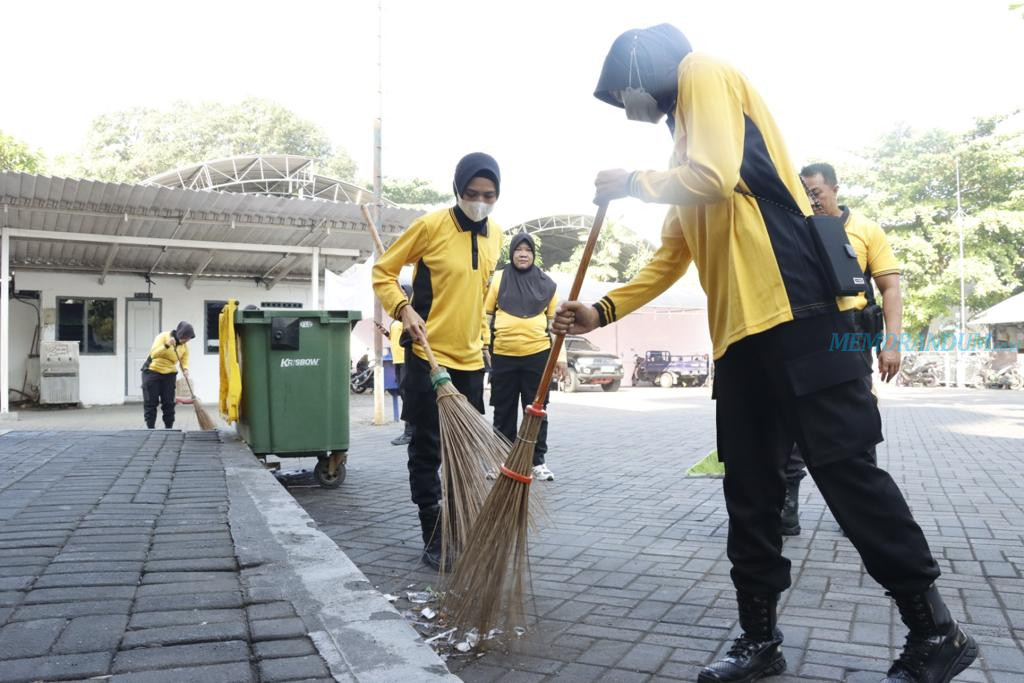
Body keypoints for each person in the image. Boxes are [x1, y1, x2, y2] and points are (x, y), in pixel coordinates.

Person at [553, 24, 976, 683]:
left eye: (627, 91)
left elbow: (716, 178)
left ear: (646, 67)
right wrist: (601, 310)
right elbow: (671, 256)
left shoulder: (704, 72)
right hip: (742, 342)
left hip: (802, 315)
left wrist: (632, 182)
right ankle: (759, 641)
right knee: (749, 493)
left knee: (846, 475)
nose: (633, 107)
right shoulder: (682, 145)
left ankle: (935, 630)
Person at [372, 152, 504, 571]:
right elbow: (383, 271)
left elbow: (477, 296)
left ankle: (462, 523)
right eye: (472, 193)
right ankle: (432, 531)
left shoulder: (497, 235)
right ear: (458, 191)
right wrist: (402, 309)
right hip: (428, 359)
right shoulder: (431, 226)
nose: (480, 202)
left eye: (489, 195)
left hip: (469, 361)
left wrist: (482, 342)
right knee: (427, 449)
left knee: (465, 451)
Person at [780, 162, 904, 536]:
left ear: (834, 188)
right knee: (793, 419)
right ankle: (785, 508)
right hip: (802, 336)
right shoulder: (793, 230)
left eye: (816, 192)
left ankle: (863, 510)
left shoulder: (865, 230)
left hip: (850, 336)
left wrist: (892, 344)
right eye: (805, 194)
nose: (811, 201)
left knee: (856, 421)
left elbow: (891, 289)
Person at [484, 232, 567, 482]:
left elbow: (557, 325)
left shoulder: (548, 285)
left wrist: (560, 357)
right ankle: (501, 459)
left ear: (533, 254)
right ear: (511, 253)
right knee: (503, 410)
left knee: (536, 411)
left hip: (538, 356)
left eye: (528, 250)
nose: (523, 254)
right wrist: (482, 346)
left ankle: (537, 462)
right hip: (503, 356)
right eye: (518, 250)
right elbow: (485, 316)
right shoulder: (498, 279)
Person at [142, 321, 195, 430]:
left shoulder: (184, 346)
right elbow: (154, 353)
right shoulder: (163, 336)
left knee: (169, 403)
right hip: (152, 371)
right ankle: (150, 428)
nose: (186, 340)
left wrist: (185, 369)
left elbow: (184, 359)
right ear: (180, 333)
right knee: (151, 402)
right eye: (185, 337)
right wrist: (167, 345)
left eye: (188, 339)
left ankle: (169, 428)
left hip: (169, 374)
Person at [388, 293, 415, 446]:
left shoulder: (410, 314)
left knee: (408, 397)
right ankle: (410, 431)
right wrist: (386, 333)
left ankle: (409, 432)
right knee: (403, 395)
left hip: (406, 361)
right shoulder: (398, 315)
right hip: (397, 361)